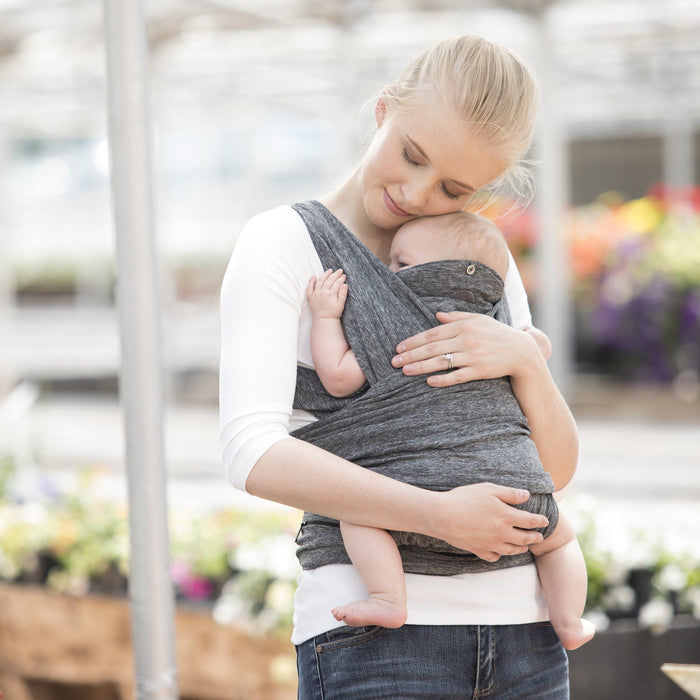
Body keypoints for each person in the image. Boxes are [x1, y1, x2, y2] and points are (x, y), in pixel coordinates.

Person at [220, 34, 581, 699]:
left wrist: (529, 366)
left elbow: (550, 472)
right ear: (384, 109)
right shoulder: (284, 243)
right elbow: (250, 452)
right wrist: (436, 515)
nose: (415, 193)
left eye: (453, 187)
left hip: (528, 634)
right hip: (378, 643)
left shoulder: (480, 258)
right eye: (412, 155)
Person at [306, 210, 595, 651]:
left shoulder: (392, 328)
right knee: (559, 539)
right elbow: (538, 345)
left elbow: (338, 378)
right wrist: (528, 345)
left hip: (419, 494)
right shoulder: (496, 333)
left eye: (400, 263)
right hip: (518, 495)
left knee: (357, 513)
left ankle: (388, 597)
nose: (386, 272)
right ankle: (570, 620)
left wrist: (327, 318)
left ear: (433, 273)